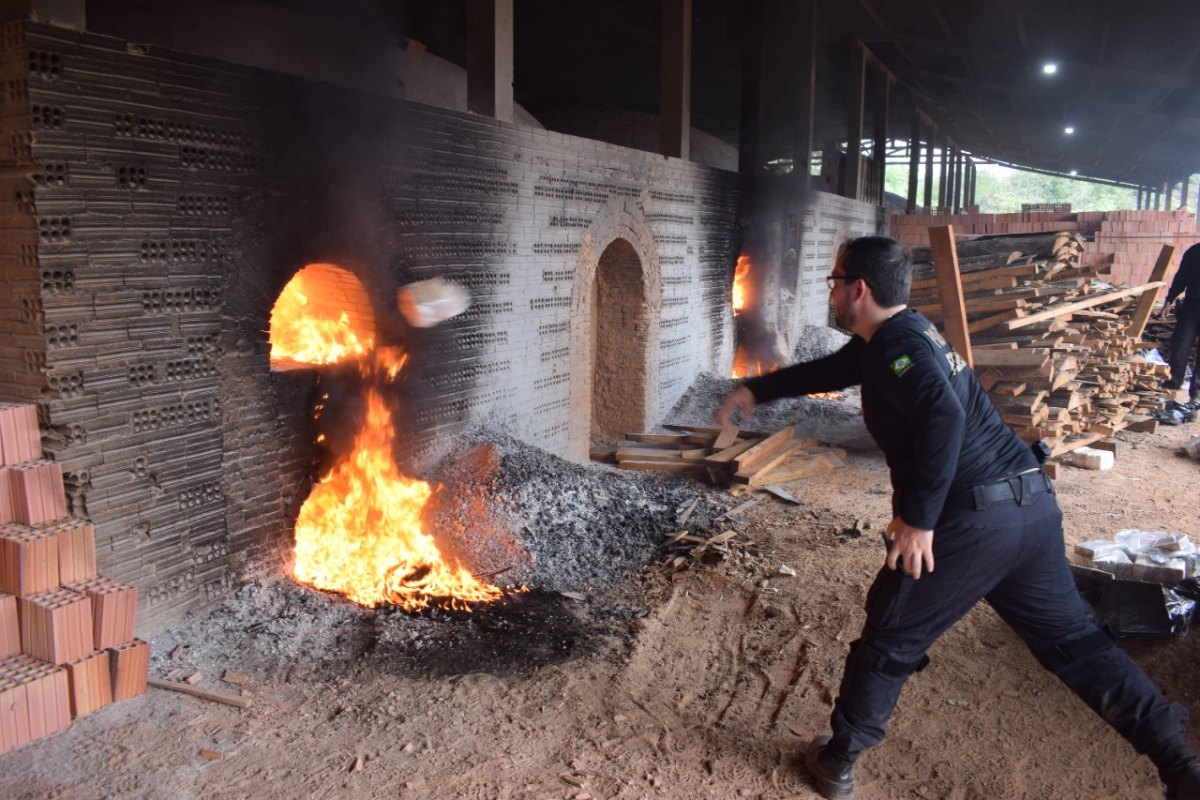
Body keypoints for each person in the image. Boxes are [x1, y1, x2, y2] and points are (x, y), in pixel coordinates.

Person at [713, 236, 1200, 800]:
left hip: (971, 523)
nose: (833, 292)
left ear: (858, 289)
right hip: (1030, 507)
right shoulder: (899, 334)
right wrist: (754, 389)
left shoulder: (903, 350)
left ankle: (837, 759)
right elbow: (833, 367)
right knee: (1073, 640)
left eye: (834, 282)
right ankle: (1178, 763)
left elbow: (943, 416)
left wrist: (918, 520)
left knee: (890, 636)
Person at [1157, 242, 1200, 404]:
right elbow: (1181, 277)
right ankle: (1173, 385)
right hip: (1191, 308)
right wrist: (1169, 299)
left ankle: (1196, 393)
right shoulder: (1194, 251)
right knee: (1180, 346)